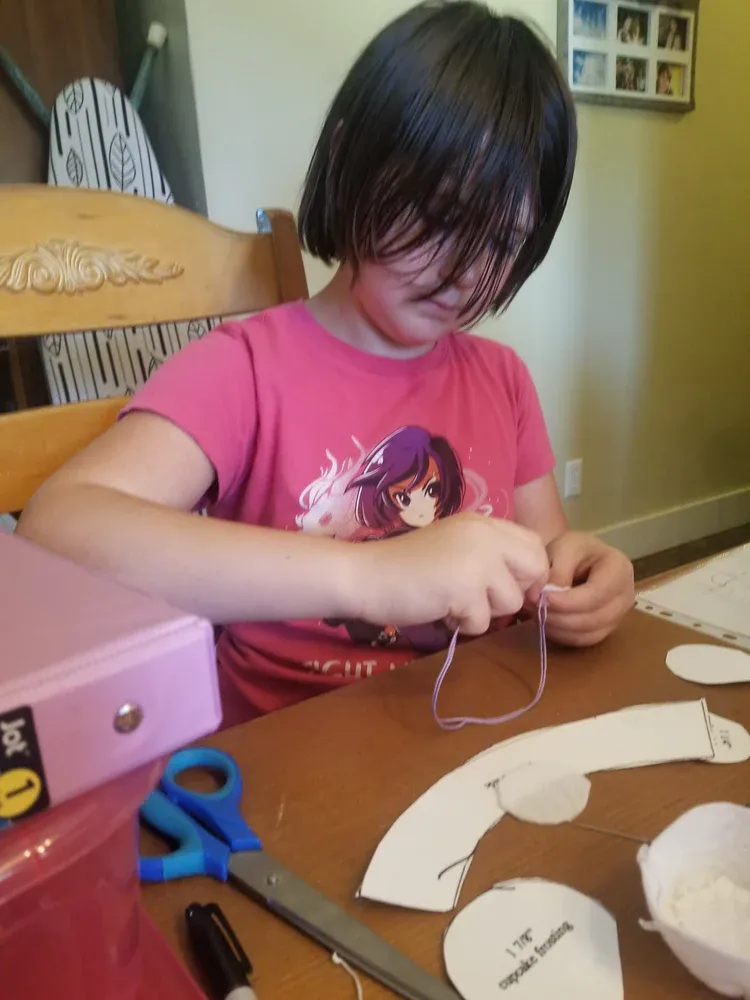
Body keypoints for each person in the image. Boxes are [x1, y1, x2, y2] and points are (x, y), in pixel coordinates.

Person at [18, 0, 634, 725]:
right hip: (293, 756)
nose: (465, 273)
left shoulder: (503, 379)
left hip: (474, 727)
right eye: (438, 216)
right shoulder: (245, 369)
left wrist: (586, 572)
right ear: (348, 159)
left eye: (500, 243)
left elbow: (546, 548)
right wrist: (368, 576)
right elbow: (57, 532)